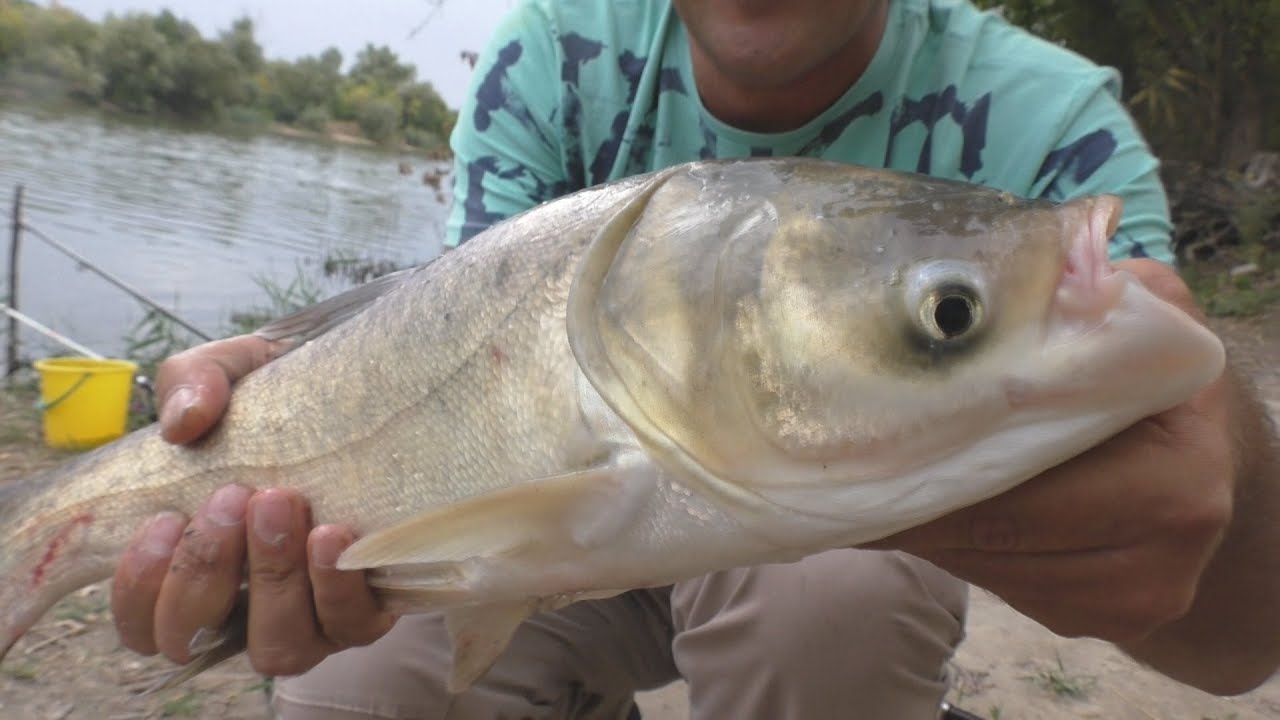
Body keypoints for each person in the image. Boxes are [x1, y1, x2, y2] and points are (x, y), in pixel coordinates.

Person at [109, 0, 1280, 718]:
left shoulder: (1049, 125)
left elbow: (1239, 643)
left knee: (830, 593)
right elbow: (449, 367)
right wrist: (288, 403)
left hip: (828, 542)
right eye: (950, 314)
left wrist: (1226, 477)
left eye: (948, 314)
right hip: (556, 516)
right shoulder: (549, 55)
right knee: (347, 674)